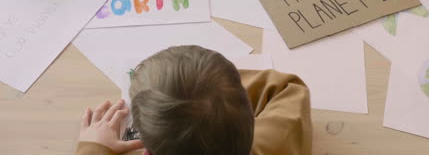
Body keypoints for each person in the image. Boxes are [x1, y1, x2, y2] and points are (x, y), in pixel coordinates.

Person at [76, 45, 312, 155]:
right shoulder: (274, 145)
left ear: (145, 151)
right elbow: (288, 89)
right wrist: (217, 86)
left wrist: (93, 147)